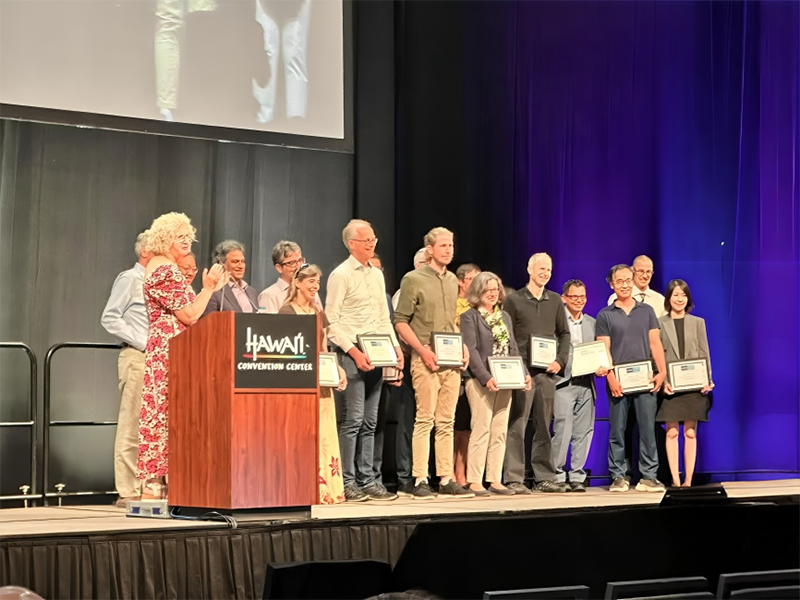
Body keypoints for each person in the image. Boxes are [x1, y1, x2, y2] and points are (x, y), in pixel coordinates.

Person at [137, 212, 227, 500]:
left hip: (171, 347)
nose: (187, 241)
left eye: (189, 236)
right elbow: (189, 314)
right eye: (180, 237)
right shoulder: (165, 269)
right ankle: (159, 483)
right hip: (171, 350)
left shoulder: (164, 267)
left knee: (166, 412)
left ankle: (163, 482)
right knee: (168, 412)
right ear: (165, 239)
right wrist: (209, 288)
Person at [326, 219, 403, 502]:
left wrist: (395, 347)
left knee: (371, 422)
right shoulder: (341, 275)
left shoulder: (376, 275)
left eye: (373, 239)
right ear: (351, 244)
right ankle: (347, 482)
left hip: (377, 350)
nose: (372, 244)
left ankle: (367, 479)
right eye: (366, 240)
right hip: (351, 352)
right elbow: (331, 321)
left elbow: (383, 317)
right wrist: (354, 352)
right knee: (353, 419)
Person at [395, 227, 473, 499]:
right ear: (429, 250)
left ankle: (445, 478)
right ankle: (419, 479)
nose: (448, 250)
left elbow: (451, 321)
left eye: (451, 245)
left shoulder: (452, 280)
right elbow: (400, 321)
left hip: (450, 360)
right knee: (424, 419)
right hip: (425, 358)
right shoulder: (413, 279)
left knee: (447, 421)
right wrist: (421, 351)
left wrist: (462, 346)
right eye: (443, 245)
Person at [278, 263, 347, 504]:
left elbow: (323, 348)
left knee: (325, 431)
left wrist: (337, 369)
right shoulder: (287, 312)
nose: (315, 286)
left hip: (321, 381)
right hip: (301, 380)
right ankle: (305, 486)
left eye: (318, 282)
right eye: (311, 281)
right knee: (305, 432)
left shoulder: (318, 313)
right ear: (297, 283)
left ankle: (328, 489)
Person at [503, 253, 571, 493]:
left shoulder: (555, 300)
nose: (545, 273)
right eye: (541, 268)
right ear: (529, 269)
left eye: (549, 269)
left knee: (544, 426)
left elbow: (565, 334)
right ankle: (514, 478)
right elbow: (507, 336)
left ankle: (544, 478)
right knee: (517, 424)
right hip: (522, 373)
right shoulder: (513, 300)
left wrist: (560, 360)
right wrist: (517, 368)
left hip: (547, 374)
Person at [596, 264, 667, 493]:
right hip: (618, 381)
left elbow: (655, 343)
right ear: (612, 284)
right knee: (617, 430)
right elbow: (604, 350)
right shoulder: (605, 314)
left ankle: (648, 476)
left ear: (633, 281)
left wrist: (662, 372)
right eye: (619, 281)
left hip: (645, 380)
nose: (625, 285)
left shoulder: (647, 311)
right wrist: (610, 378)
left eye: (628, 280)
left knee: (647, 430)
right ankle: (619, 476)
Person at [460, 272, 529, 496]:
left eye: (495, 289)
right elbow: (471, 350)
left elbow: (513, 349)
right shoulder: (470, 317)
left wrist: (524, 374)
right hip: (481, 381)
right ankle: (474, 480)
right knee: (481, 429)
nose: (492, 293)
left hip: (505, 381)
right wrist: (485, 377)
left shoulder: (504, 317)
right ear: (477, 292)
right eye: (487, 290)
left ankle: (495, 479)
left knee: (499, 430)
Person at [101, 231, 151, 507]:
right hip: (138, 356)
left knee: (152, 426)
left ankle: (149, 486)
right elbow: (110, 317)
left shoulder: (158, 282)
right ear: (145, 251)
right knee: (132, 423)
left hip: (159, 361)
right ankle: (128, 489)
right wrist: (143, 342)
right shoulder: (130, 279)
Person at [657, 279, 714, 487]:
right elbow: (655, 356)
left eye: (683, 295)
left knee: (690, 433)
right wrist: (663, 382)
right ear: (669, 298)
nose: (679, 299)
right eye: (675, 295)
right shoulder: (659, 323)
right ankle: (675, 479)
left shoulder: (698, 323)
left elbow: (704, 353)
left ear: (688, 298)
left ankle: (688, 481)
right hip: (670, 386)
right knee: (672, 432)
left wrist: (707, 379)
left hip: (693, 386)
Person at [552, 280, 603, 492]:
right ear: (564, 298)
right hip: (564, 382)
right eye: (574, 297)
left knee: (584, 432)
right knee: (562, 431)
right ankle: (557, 475)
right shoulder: (556, 322)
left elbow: (599, 351)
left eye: (582, 297)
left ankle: (577, 476)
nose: (579, 301)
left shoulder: (592, 323)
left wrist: (601, 366)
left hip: (587, 384)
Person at [453, 263, 481, 486]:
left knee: (468, 427)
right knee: (454, 426)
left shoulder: (480, 306)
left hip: (475, 371)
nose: (477, 284)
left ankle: (462, 472)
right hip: (455, 368)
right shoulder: (453, 304)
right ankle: (449, 472)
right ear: (461, 282)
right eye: (473, 279)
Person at [259, 240, 323, 313]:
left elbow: (320, 317)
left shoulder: (309, 290)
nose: (298, 266)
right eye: (291, 263)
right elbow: (269, 320)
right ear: (279, 268)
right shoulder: (269, 296)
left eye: (300, 260)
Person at [202, 240, 259, 315]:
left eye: (242, 261)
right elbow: (208, 320)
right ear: (221, 264)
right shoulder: (214, 292)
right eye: (235, 262)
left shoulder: (252, 292)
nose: (240, 266)